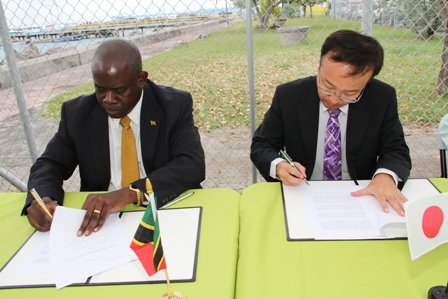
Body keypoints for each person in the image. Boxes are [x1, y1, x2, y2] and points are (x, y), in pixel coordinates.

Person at [22, 38, 206, 235]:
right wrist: (43, 199)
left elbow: (191, 164)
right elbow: (50, 163)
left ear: (141, 79)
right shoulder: (77, 114)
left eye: (119, 90)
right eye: (100, 89)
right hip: (103, 224)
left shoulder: (173, 105)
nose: (108, 100)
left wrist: (130, 193)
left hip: (165, 209)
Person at [250, 30, 411, 216]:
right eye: (327, 86)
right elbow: (262, 144)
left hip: (361, 196)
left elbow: (395, 148)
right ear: (319, 66)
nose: (334, 99)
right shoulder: (289, 96)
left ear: (368, 82)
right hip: (304, 193)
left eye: (350, 93)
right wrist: (278, 165)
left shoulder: (381, 97)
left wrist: (385, 176)